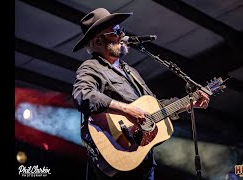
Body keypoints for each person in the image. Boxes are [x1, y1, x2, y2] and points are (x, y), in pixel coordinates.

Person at [71, 8, 210, 180]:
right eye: (115, 32)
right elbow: (83, 95)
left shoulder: (131, 72)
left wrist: (189, 103)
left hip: (143, 162)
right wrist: (126, 110)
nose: (122, 34)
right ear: (98, 42)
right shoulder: (91, 67)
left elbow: (155, 109)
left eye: (121, 29)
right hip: (117, 156)